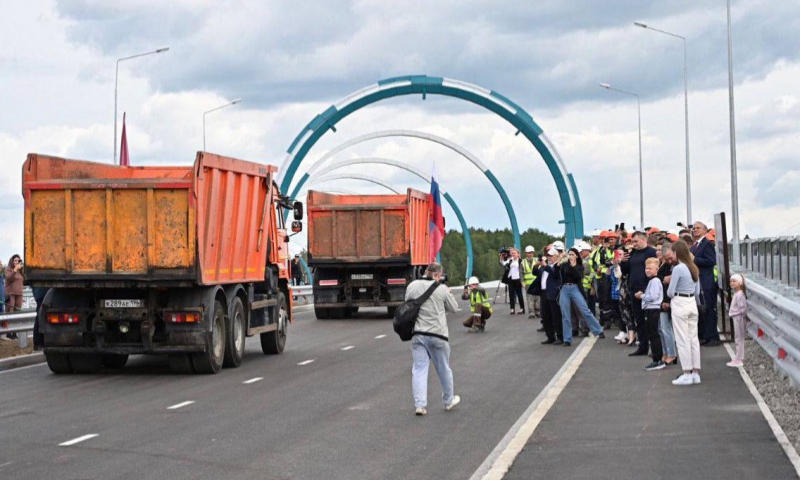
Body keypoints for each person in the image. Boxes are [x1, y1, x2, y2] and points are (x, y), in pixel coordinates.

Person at [406, 262, 460, 415]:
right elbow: (454, 308)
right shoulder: (442, 289)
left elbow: (407, 304)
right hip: (438, 335)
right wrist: (448, 293)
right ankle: (448, 401)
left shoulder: (413, 286)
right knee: (443, 369)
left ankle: (420, 405)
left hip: (418, 335)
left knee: (419, 369)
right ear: (437, 275)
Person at [667, 241, 702, 386]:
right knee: (693, 339)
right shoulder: (693, 267)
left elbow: (670, 292)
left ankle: (686, 372)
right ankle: (695, 373)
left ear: (677, 252)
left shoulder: (678, 269)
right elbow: (697, 291)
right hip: (692, 302)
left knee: (682, 339)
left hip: (680, 303)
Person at [620, 232, 657, 357]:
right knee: (639, 319)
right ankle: (643, 346)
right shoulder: (633, 253)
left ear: (643, 239)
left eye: (636, 241)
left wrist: (646, 289)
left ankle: (655, 347)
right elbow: (626, 271)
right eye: (632, 242)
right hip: (633, 288)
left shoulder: (651, 252)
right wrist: (623, 262)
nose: (633, 244)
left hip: (646, 289)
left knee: (650, 321)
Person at [558, 248, 605, 347]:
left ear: (576, 256)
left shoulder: (580, 266)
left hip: (575, 288)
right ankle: (567, 339)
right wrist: (560, 262)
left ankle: (598, 330)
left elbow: (578, 277)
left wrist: (574, 266)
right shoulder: (564, 265)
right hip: (565, 289)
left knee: (585, 310)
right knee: (565, 314)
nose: (570, 256)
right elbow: (561, 275)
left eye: (572, 254)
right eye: (569, 254)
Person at [690, 222, 720, 346]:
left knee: (709, 309)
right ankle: (706, 336)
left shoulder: (707, 244)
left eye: (698, 228)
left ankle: (713, 337)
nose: (695, 230)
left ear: (705, 230)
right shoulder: (694, 245)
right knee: (702, 310)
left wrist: (695, 259)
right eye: (694, 228)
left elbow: (711, 261)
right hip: (698, 282)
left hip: (707, 282)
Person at [637, 258, 665, 370]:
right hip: (651, 309)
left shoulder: (655, 281)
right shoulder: (653, 281)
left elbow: (653, 297)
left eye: (650, 268)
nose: (647, 270)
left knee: (653, 334)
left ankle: (657, 359)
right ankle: (657, 358)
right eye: (646, 268)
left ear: (656, 269)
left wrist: (642, 296)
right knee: (652, 334)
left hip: (652, 309)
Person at [658, 243, 678, 366]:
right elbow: (661, 281)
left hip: (670, 300)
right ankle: (666, 352)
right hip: (664, 300)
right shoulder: (664, 265)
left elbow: (670, 286)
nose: (669, 260)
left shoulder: (678, 267)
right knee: (662, 329)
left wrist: (667, 301)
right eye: (666, 258)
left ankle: (671, 354)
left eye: (670, 258)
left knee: (667, 329)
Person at [539, 247, 564, 345]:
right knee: (545, 316)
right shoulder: (546, 266)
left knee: (556, 316)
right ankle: (550, 336)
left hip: (554, 293)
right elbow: (536, 273)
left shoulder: (558, 265)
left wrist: (546, 266)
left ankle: (560, 336)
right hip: (544, 293)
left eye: (551, 256)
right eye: (548, 256)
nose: (549, 258)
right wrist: (539, 265)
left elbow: (555, 275)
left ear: (556, 257)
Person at [727, 274, 749, 368]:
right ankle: (738, 357)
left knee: (739, 338)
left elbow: (743, 308)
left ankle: (739, 359)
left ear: (740, 283)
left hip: (739, 318)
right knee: (738, 337)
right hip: (737, 317)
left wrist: (744, 317)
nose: (732, 283)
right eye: (731, 281)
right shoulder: (737, 293)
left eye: (734, 281)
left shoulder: (739, 294)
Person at [501, 248, 525, 315]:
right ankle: (512, 309)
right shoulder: (510, 260)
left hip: (517, 278)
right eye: (512, 253)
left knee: (519, 294)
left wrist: (522, 280)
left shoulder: (521, 261)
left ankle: (522, 308)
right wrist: (502, 257)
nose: (513, 254)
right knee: (511, 294)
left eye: (514, 253)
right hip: (511, 278)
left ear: (518, 254)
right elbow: (504, 263)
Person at [521, 246, 540, 319]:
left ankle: (538, 312)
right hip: (528, 283)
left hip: (537, 282)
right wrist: (522, 282)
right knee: (530, 298)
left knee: (538, 298)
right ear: (526, 253)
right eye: (529, 253)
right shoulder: (523, 262)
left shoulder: (537, 260)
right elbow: (521, 273)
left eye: (531, 252)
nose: (530, 254)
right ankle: (531, 313)